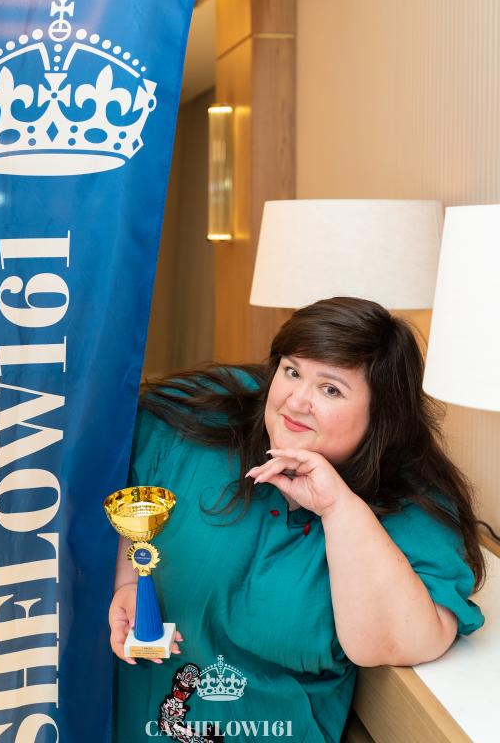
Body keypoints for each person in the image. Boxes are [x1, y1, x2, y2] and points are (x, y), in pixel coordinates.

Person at [109, 297, 485, 743]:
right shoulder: (201, 422)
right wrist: (128, 583)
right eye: (292, 371)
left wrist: (338, 507)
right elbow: (128, 483)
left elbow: (397, 641)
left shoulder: (410, 502)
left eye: (331, 390)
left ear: (381, 413)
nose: (297, 401)